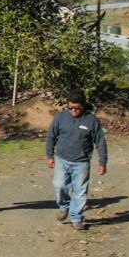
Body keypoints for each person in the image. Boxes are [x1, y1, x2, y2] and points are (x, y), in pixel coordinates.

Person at [45, 92, 109, 231]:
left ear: (84, 106)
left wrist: (102, 162)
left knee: (80, 191)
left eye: (77, 108)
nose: (73, 110)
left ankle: (76, 217)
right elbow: (51, 136)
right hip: (62, 159)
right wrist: (50, 155)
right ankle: (64, 207)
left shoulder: (91, 120)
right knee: (59, 185)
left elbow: (100, 142)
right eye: (70, 107)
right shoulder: (60, 117)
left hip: (82, 162)